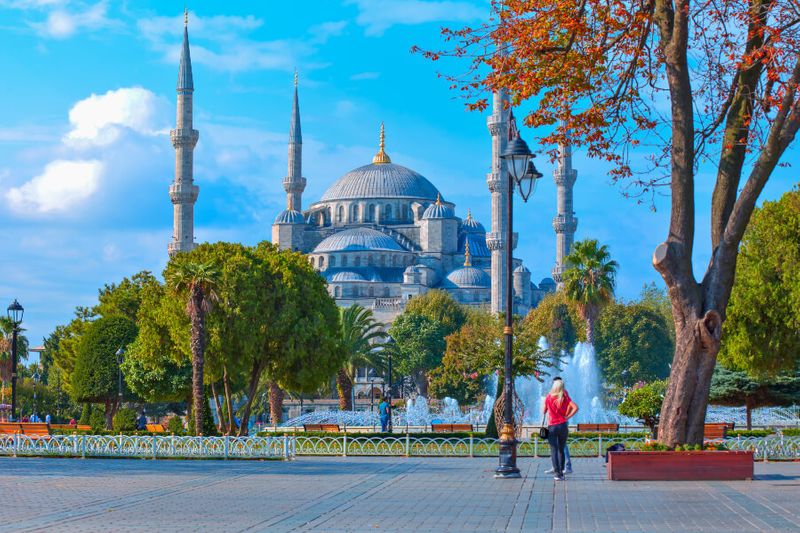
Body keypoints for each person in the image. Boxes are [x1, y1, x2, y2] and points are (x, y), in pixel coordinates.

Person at [543, 377, 579, 481]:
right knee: (561, 450)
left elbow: (543, 411)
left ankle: (556, 474)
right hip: (562, 426)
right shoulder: (564, 397)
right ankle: (561, 474)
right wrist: (567, 416)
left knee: (553, 450)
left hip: (552, 426)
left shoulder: (548, 397)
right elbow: (576, 407)